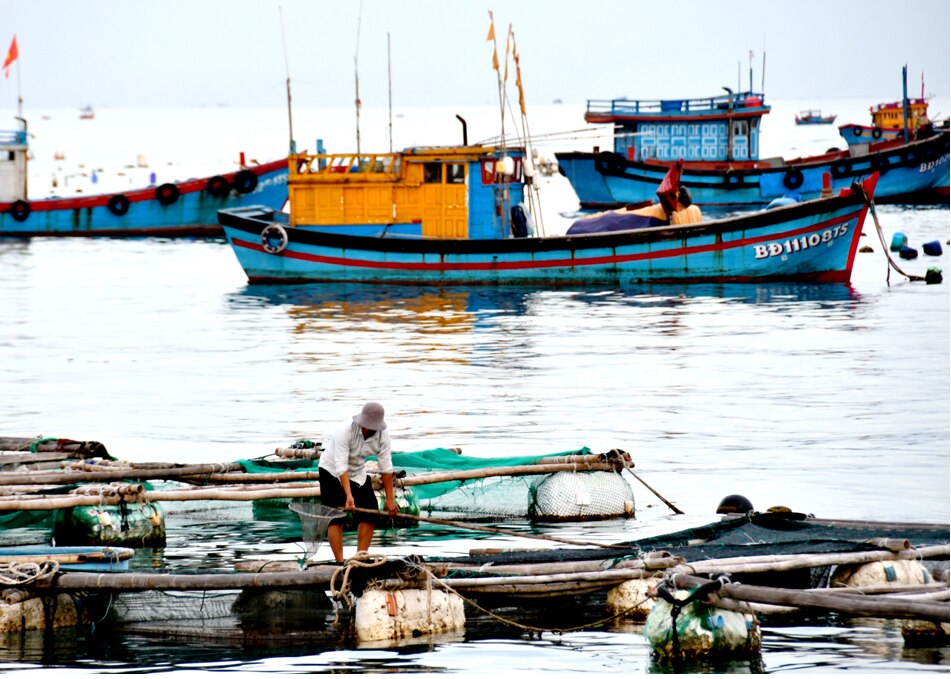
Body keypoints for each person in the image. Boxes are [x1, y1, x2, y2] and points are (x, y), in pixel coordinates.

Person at [318, 402, 399, 562]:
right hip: (331, 470)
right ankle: (340, 563)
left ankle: (360, 558)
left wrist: (390, 499)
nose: (367, 429)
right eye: (365, 425)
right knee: (336, 516)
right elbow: (341, 466)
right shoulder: (344, 430)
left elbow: (386, 468)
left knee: (370, 513)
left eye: (371, 427)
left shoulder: (383, 437)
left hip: (357, 471)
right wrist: (348, 496)